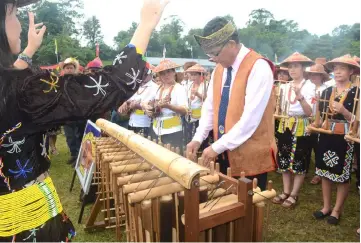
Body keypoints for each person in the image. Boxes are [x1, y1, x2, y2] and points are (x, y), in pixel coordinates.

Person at [0, 0, 169, 241]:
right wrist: (146, 24)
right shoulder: (23, 89)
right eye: (14, 14)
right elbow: (111, 85)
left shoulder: (11, 86)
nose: (18, 24)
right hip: (25, 223)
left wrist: (28, 51)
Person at [186, 17, 276, 190]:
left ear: (232, 44)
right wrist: (198, 138)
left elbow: (250, 119)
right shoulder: (219, 69)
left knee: (249, 208)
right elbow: (210, 107)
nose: (213, 59)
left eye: (216, 53)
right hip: (223, 150)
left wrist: (216, 147)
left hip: (250, 154)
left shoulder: (258, 67)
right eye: (209, 55)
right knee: (225, 201)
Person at [308, 55, 359, 225]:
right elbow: (321, 118)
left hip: (345, 137)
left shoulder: (357, 93)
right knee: (324, 171)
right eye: (335, 68)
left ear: (351, 71)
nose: (337, 71)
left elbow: (357, 120)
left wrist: (344, 111)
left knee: (341, 175)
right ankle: (326, 207)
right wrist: (315, 124)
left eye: (342, 68)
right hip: (326, 135)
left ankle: (337, 210)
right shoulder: (326, 91)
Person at [272, 52, 315, 208]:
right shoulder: (284, 86)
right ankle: (285, 191)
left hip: (302, 125)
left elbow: (310, 113)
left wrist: (300, 96)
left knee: (299, 160)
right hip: (285, 124)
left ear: (303, 68)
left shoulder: (310, 86)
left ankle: (294, 194)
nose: (292, 70)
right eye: (290, 66)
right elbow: (280, 108)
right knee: (283, 158)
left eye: (296, 66)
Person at [146, 59, 187, 151]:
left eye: (168, 72)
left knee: (171, 160)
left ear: (174, 72)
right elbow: (149, 102)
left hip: (172, 131)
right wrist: (150, 107)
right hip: (156, 129)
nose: (166, 75)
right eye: (162, 73)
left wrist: (169, 106)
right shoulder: (159, 88)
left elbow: (185, 110)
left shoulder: (179, 88)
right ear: (159, 76)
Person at [305, 63, 330, 185]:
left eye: (317, 75)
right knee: (306, 146)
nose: (314, 77)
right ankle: (304, 169)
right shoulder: (308, 88)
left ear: (322, 76)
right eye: (312, 74)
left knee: (319, 148)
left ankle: (318, 173)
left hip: (320, 123)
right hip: (307, 120)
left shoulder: (326, 90)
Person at [118, 69, 159, 137]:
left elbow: (154, 109)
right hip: (132, 122)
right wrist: (125, 103)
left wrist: (138, 106)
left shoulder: (155, 88)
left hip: (145, 125)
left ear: (150, 74)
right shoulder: (136, 86)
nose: (143, 76)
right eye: (141, 73)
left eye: (145, 73)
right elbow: (129, 101)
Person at [184, 64, 208, 145]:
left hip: (200, 116)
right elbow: (185, 99)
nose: (193, 77)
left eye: (195, 75)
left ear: (200, 75)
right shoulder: (188, 85)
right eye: (192, 74)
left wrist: (197, 94)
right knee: (189, 136)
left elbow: (207, 100)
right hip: (189, 115)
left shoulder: (206, 84)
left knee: (199, 137)